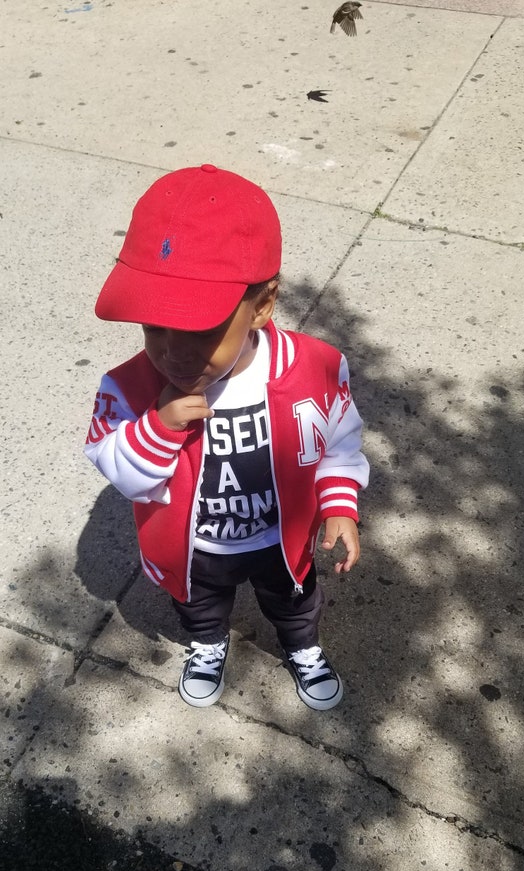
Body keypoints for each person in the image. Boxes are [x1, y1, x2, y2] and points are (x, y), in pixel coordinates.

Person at [85, 164, 369, 710]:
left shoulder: (313, 369)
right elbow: (117, 468)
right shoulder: (130, 388)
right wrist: (158, 428)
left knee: (294, 602)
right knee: (199, 607)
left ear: (261, 305)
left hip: (277, 540)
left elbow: (339, 442)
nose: (172, 352)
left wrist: (339, 505)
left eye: (198, 329)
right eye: (153, 325)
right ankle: (208, 645)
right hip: (197, 548)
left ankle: (302, 647)